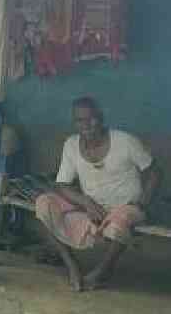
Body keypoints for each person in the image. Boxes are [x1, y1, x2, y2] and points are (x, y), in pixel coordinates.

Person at [35, 97, 161, 291]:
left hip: (127, 208)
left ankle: (103, 271)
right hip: (93, 209)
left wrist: (142, 203)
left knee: (122, 219)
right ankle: (72, 266)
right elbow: (62, 185)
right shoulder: (71, 145)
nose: (86, 125)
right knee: (44, 203)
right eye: (80, 120)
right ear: (75, 123)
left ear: (101, 118)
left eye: (91, 118)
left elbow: (155, 172)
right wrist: (85, 202)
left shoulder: (125, 141)